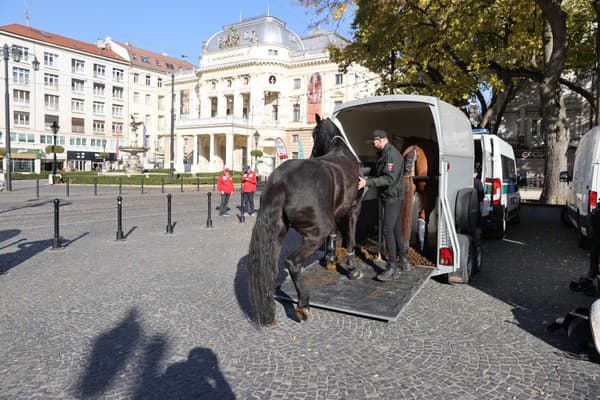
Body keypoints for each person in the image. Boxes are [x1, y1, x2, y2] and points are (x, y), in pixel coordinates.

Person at [358, 129, 408, 281]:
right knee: (396, 230)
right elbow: (376, 169)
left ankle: (392, 267)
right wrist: (359, 170)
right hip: (390, 195)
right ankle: (404, 261)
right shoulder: (385, 153)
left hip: (392, 197)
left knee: (387, 229)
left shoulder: (391, 155)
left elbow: (388, 179)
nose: (372, 145)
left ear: (379, 140)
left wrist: (367, 182)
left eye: (373, 142)